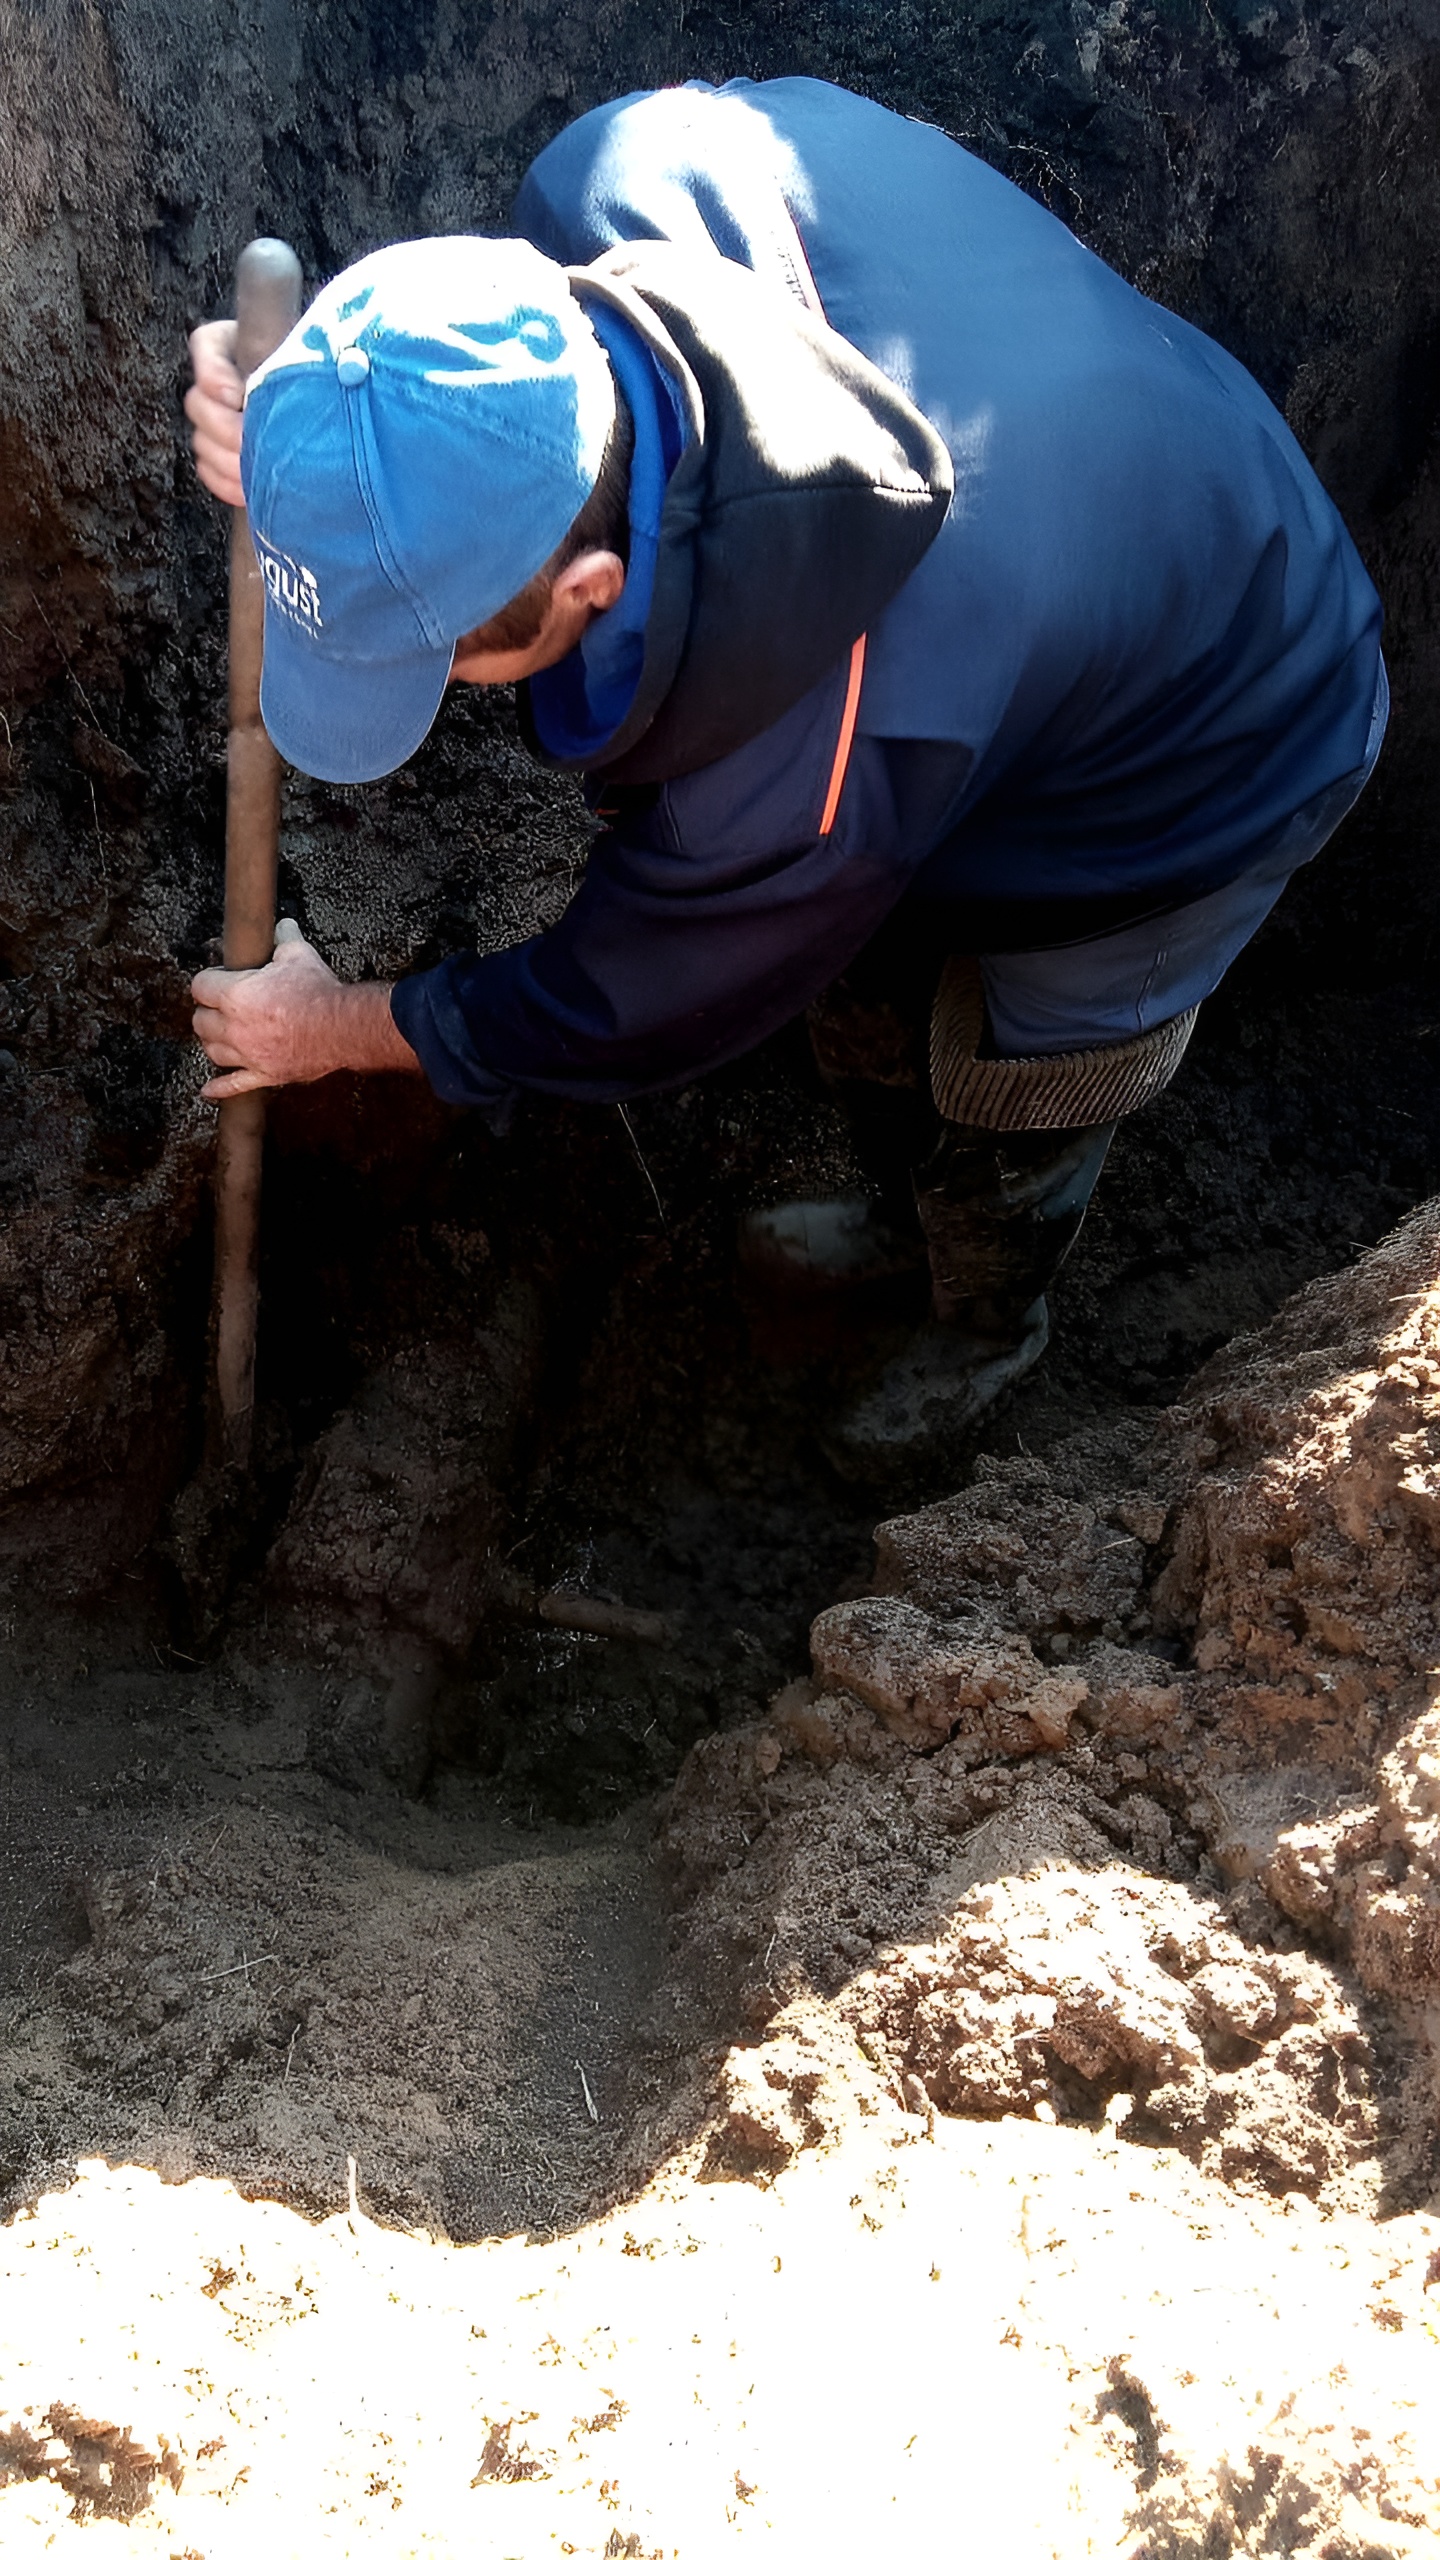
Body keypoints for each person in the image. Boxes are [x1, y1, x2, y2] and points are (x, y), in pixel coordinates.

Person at [186, 76, 1386, 1479]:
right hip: (1135, 477)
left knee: (1028, 1071)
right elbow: (437, 382)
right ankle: (897, 1202)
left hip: (1218, 729)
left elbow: (624, 1000)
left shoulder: (808, 770)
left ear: (590, 585)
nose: (437, 690)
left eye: (439, 661)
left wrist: (333, 1027)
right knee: (860, 986)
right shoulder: (622, 173)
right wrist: (325, 432)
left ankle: (988, 1311)